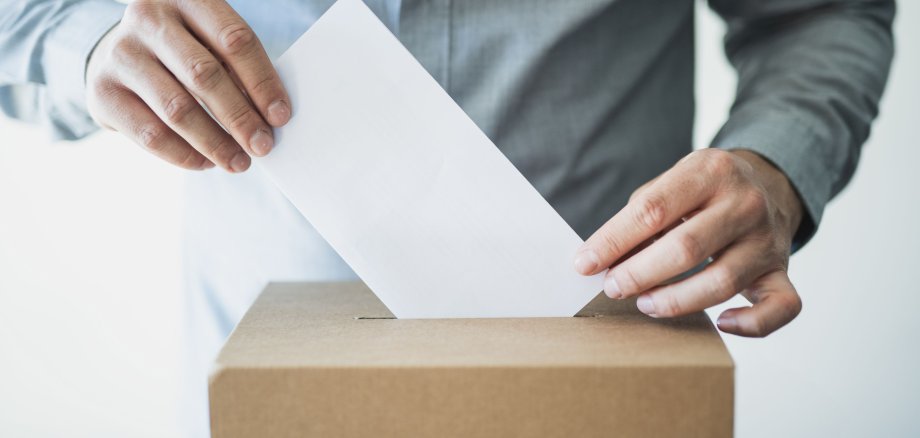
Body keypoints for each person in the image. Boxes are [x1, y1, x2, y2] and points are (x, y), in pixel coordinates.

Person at [0, 0, 895, 436]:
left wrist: (777, 169)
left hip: (606, 386)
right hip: (266, 389)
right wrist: (80, 38)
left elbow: (824, 12)